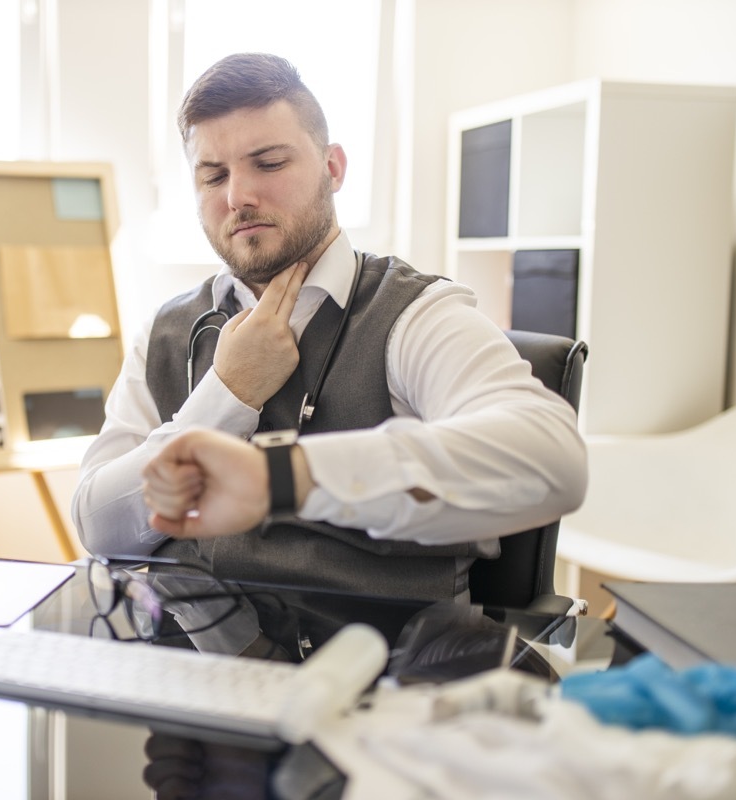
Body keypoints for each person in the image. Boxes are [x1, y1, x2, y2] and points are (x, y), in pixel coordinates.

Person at [71, 52, 587, 653]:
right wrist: (227, 394)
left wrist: (282, 478)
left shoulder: (416, 314)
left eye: (268, 162)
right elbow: (98, 528)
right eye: (212, 176)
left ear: (333, 167)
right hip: (196, 687)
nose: (238, 195)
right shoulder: (165, 330)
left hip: (380, 689)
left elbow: (552, 459)